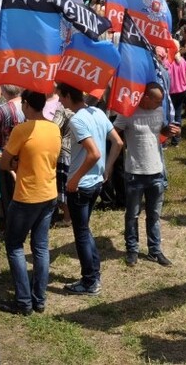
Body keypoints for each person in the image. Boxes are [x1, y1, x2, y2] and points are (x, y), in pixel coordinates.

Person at [0, 91, 60, 313]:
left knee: (14, 245)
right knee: (41, 246)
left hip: (27, 195)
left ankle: (24, 301)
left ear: (25, 104)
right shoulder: (54, 128)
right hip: (49, 192)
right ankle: (39, 299)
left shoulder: (22, 130)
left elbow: (4, 163)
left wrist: (17, 162)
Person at [106, 83, 180, 267]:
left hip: (156, 171)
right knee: (132, 214)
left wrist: (168, 131)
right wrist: (110, 162)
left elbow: (159, 130)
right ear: (145, 97)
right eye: (157, 100)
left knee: (154, 215)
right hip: (134, 172)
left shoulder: (157, 112)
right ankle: (132, 250)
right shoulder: (127, 113)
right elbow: (114, 135)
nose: (160, 104)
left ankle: (155, 251)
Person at [62, 85, 123, 297]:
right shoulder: (97, 112)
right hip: (96, 182)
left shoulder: (77, 120)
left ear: (69, 96)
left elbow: (94, 153)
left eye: (61, 96)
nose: (60, 101)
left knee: (81, 233)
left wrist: (75, 179)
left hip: (81, 186)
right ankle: (94, 274)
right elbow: (118, 142)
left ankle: (89, 281)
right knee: (85, 229)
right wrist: (108, 169)